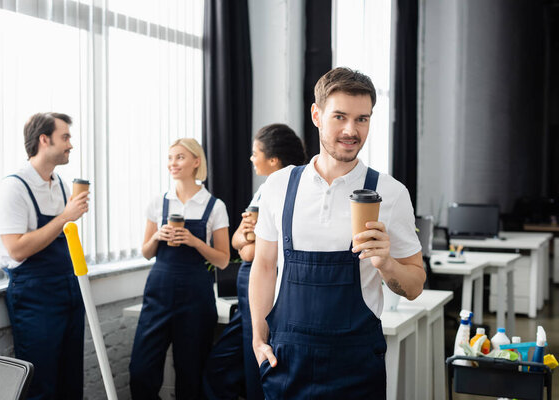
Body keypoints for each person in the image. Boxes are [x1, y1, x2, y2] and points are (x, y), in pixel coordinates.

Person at [249, 67, 426, 398]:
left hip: (356, 366)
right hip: (286, 363)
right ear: (317, 115)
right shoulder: (279, 186)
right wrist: (259, 339)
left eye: (362, 119)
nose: (351, 130)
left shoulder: (391, 193)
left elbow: (414, 286)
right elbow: (263, 266)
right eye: (340, 117)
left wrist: (386, 262)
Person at [203, 124, 307, 400]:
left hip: (263, 289)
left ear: (273, 160)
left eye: (255, 153)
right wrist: (247, 237)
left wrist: (248, 240)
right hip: (246, 294)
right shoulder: (262, 191)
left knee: (256, 361)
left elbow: (251, 253)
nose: (251, 158)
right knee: (221, 365)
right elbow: (238, 240)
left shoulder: (288, 191)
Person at [0, 112, 90, 400]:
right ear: (44, 139)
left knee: (70, 381)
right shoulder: (14, 186)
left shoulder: (61, 184)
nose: (71, 144)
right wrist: (65, 217)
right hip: (36, 297)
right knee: (42, 384)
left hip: (69, 291)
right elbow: (17, 248)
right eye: (65, 137)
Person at [130, 138, 230, 400]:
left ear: (196, 162)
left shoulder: (214, 206)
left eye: (180, 157)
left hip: (196, 297)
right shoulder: (159, 203)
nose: (172, 163)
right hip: (158, 293)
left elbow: (222, 259)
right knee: (141, 370)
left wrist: (194, 241)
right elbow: (146, 252)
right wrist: (157, 237)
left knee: (191, 372)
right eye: (170, 157)